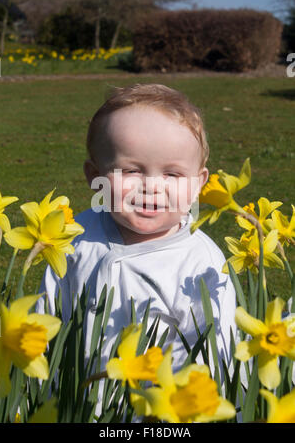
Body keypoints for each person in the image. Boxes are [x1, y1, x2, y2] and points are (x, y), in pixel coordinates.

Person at [36, 83, 237, 403]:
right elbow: (44, 313)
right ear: (94, 176)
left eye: (172, 174)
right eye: (131, 170)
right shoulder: (75, 234)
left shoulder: (202, 263)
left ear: (199, 184)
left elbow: (217, 357)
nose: (152, 188)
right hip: (73, 402)